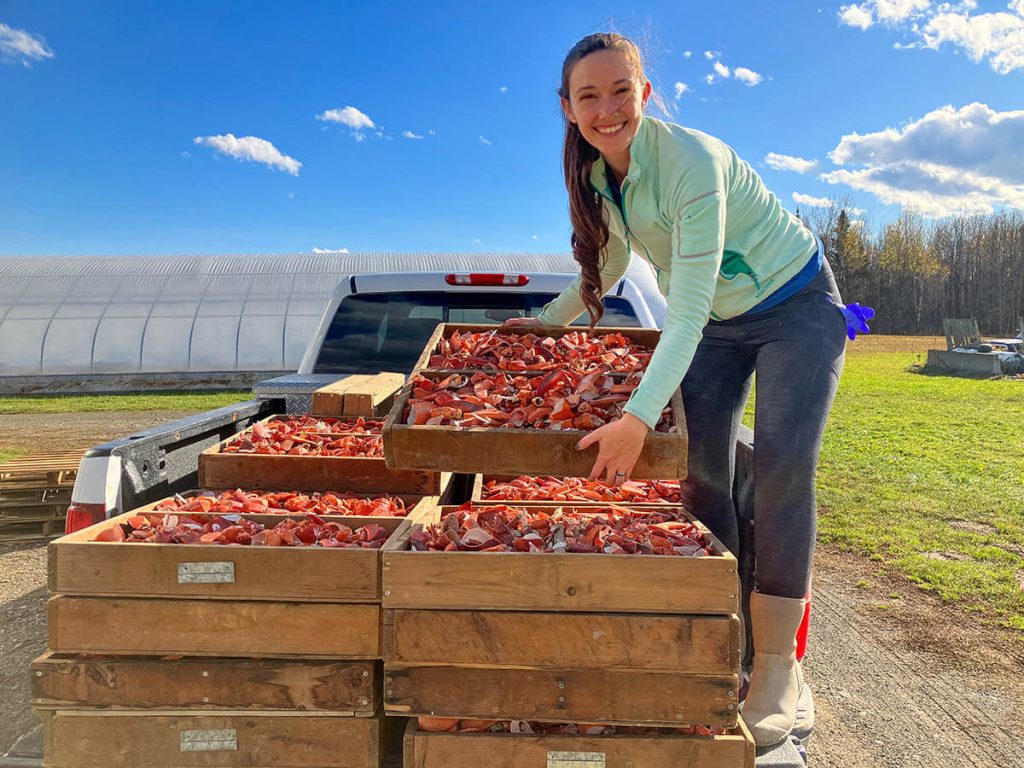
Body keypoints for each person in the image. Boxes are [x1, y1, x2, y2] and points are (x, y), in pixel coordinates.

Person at [506, 32, 860, 747]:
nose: (607, 109)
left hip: (794, 307)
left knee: (784, 469)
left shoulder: (692, 162)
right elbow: (602, 266)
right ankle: (728, 639)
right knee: (702, 481)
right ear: (569, 109)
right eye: (588, 96)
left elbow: (687, 309)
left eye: (620, 91)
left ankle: (778, 668)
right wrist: (545, 324)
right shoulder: (600, 174)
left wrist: (638, 416)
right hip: (720, 327)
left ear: (645, 92)